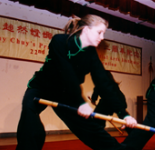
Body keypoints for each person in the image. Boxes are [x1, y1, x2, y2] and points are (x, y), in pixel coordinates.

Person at [16, 14, 137, 150]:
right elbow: (67, 72)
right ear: (85, 30)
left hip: (65, 94)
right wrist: (81, 102)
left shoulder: (91, 54)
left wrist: (124, 114)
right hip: (41, 88)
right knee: (29, 118)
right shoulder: (59, 41)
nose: (102, 37)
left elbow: (105, 84)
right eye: (99, 32)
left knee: (88, 126)